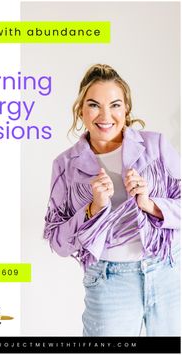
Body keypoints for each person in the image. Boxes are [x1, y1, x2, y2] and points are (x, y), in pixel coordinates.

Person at [43, 64, 180, 336]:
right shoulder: (66, 165)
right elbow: (57, 240)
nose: (105, 115)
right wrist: (92, 209)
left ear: (126, 109)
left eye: (115, 104)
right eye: (94, 105)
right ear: (80, 110)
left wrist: (151, 205)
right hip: (109, 281)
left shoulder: (157, 146)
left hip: (168, 271)